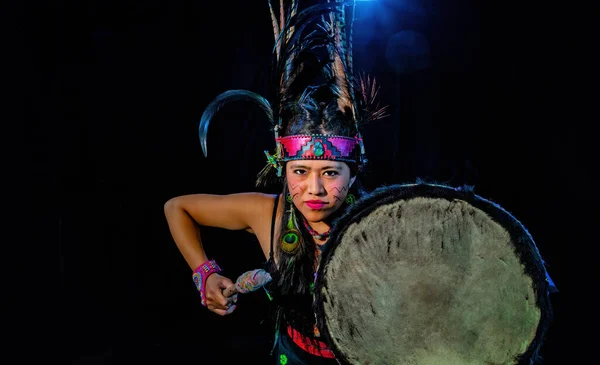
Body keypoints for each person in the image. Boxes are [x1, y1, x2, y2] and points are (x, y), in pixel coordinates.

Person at [164, 1, 387, 363]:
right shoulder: (266, 213)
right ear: (280, 168)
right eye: (300, 172)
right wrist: (204, 275)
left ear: (354, 171)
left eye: (331, 173)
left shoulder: (382, 225)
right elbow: (177, 207)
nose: (314, 189)